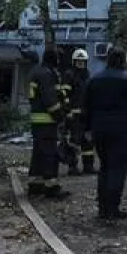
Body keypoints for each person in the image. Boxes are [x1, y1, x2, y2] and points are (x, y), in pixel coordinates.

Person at [82, 47, 127, 221]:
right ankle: (112, 208)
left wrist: (87, 129)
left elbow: (86, 106)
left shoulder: (94, 80)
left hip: (99, 129)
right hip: (122, 130)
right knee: (118, 169)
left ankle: (102, 208)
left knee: (104, 167)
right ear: (123, 61)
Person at [27, 47, 70, 199]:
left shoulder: (37, 72)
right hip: (47, 121)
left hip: (38, 121)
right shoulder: (47, 74)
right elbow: (50, 99)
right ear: (54, 59)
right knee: (50, 154)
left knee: (39, 153)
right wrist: (60, 116)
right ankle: (52, 187)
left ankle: (35, 184)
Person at [62, 48, 95, 176]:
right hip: (74, 114)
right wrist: (67, 111)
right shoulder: (69, 74)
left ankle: (88, 166)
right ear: (74, 62)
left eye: (83, 61)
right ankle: (72, 167)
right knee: (74, 141)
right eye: (78, 61)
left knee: (88, 141)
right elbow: (64, 95)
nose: (80, 64)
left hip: (86, 114)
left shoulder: (87, 75)